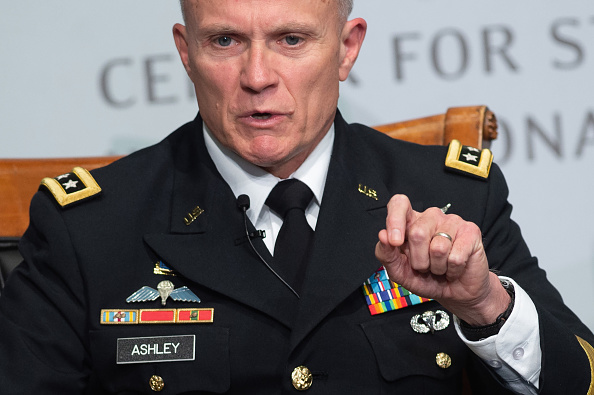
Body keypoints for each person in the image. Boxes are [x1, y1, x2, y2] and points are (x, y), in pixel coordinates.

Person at [0, 0, 592, 393]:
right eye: (226, 40)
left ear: (347, 47)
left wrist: (488, 306)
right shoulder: (88, 229)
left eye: (290, 39)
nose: (257, 76)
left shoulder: (453, 196)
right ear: (186, 52)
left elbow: (580, 377)